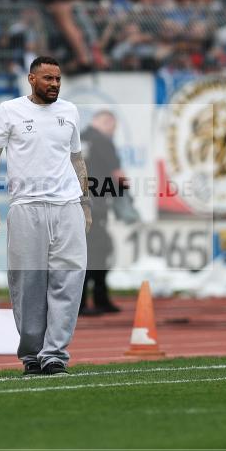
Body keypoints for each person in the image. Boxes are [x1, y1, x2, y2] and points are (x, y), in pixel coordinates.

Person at [0, 56, 91, 376]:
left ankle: (55, 352)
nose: (54, 84)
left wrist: (85, 202)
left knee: (69, 280)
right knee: (27, 282)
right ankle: (31, 352)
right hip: (26, 206)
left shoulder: (69, 111)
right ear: (31, 79)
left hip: (67, 205)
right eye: (48, 79)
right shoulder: (9, 110)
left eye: (58, 79)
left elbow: (77, 159)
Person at [79, 110, 138, 316]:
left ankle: (93, 299)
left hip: (76, 204)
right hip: (96, 205)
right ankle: (90, 301)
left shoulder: (79, 139)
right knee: (98, 251)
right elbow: (118, 175)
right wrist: (127, 195)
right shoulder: (103, 141)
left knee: (83, 252)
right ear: (106, 123)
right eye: (112, 127)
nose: (113, 132)